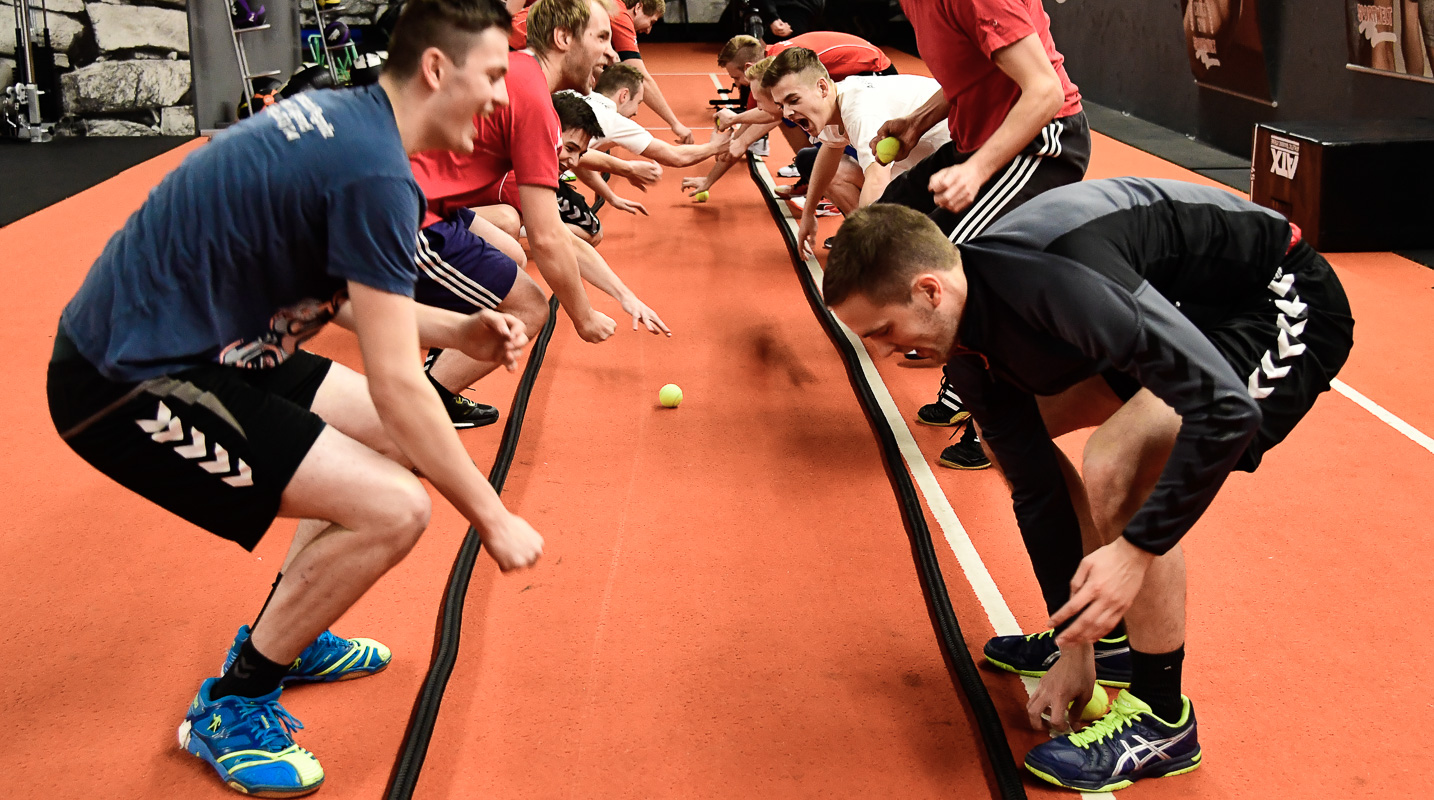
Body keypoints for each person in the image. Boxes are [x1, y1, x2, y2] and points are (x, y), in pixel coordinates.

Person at [46, 1, 544, 796]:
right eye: (491, 76)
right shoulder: (376, 172)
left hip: (210, 341)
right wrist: (492, 516)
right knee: (396, 508)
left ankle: (292, 628)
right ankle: (232, 703)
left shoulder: (350, 124)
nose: (498, 100)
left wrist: (460, 333)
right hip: (123, 377)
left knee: (385, 441)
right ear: (437, 69)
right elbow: (396, 382)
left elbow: (340, 299)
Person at [823, 179, 1354, 791]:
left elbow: (1225, 411)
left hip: (1279, 302)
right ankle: (1112, 649)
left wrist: (1132, 553)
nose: (886, 353)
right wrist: (1077, 638)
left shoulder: (1057, 281)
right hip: (1180, 309)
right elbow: (1036, 488)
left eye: (885, 330)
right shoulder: (970, 340)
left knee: (1118, 459)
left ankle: (1162, 719)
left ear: (929, 291)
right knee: (1006, 437)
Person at [411, 0, 669, 427]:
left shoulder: (516, 71)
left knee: (509, 252)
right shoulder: (532, 100)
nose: (612, 55)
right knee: (530, 308)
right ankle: (422, 407)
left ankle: (427, 364)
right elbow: (549, 239)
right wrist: (582, 316)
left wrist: (624, 296)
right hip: (407, 214)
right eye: (602, 38)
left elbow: (556, 236)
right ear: (563, 39)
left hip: (430, 201)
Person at [867, 0, 1089, 472]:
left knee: (958, 276)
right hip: (975, 141)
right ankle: (963, 385)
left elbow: (1044, 91)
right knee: (882, 229)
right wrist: (916, 122)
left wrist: (976, 171)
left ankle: (998, 423)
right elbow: (968, 72)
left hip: (1039, 144)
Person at [762, 47, 949, 257]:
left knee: (936, 255)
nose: (787, 113)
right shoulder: (832, 104)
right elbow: (829, 151)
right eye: (781, 105)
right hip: (924, 167)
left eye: (793, 100)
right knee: (822, 166)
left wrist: (865, 245)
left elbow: (877, 179)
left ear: (822, 88)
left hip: (961, 160)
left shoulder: (859, 111)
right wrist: (808, 213)